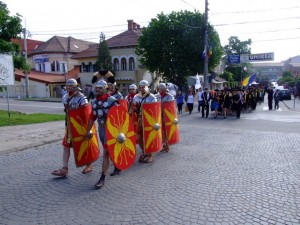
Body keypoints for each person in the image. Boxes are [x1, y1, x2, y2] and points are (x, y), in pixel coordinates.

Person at [51, 78, 93, 177]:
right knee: (66, 146)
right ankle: (64, 168)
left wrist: (88, 129)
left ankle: (89, 165)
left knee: (84, 146)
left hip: (80, 127)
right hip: (70, 127)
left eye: (70, 86)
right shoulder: (65, 97)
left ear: (75, 86)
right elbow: (67, 111)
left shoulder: (82, 98)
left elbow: (87, 114)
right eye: (67, 86)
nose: (68, 87)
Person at [85, 80, 118, 189]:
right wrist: (88, 130)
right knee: (109, 150)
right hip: (102, 130)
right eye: (97, 88)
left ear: (105, 89)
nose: (97, 89)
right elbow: (92, 117)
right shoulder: (94, 102)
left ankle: (102, 178)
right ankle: (117, 166)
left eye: (100, 88)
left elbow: (119, 118)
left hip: (112, 131)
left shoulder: (112, 101)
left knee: (106, 153)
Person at [133, 80, 157, 163]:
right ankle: (144, 151)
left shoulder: (152, 97)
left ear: (147, 87)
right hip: (139, 120)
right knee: (139, 137)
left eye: (144, 87)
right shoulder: (136, 97)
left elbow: (154, 110)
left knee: (148, 137)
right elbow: (133, 109)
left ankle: (150, 154)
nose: (142, 88)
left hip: (149, 121)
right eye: (141, 87)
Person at [156, 83, 174, 152]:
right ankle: (163, 144)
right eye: (160, 89)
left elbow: (171, 107)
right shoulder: (157, 96)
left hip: (167, 116)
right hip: (159, 116)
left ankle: (167, 144)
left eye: (162, 89)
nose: (161, 91)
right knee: (161, 131)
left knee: (166, 130)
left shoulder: (170, 97)